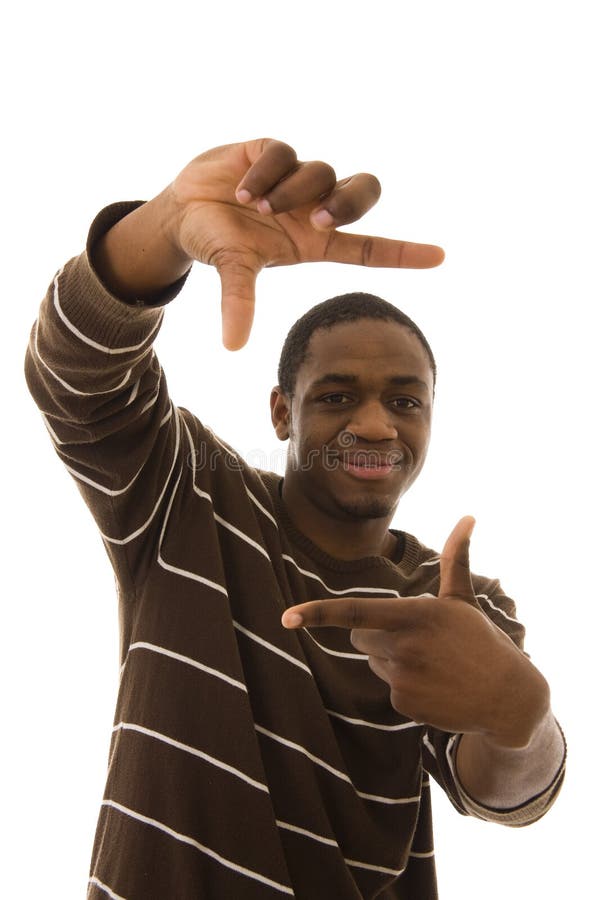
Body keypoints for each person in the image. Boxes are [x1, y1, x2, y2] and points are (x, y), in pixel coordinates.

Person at [25, 138, 566, 899]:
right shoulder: (188, 498)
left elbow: (508, 792)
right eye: (338, 395)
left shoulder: (454, 602)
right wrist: (170, 221)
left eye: (405, 401)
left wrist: (520, 715)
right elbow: (77, 378)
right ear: (283, 412)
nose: (377, 426)